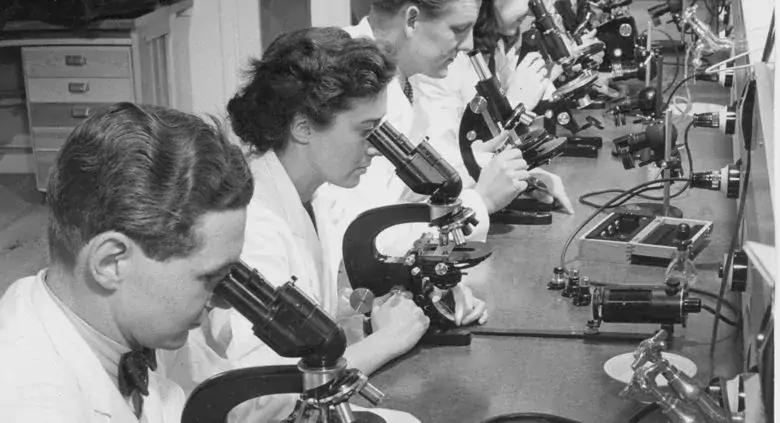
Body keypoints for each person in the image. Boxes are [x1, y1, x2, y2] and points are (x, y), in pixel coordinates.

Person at [164, 27, 426, 423]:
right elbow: (267, 395)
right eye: (365, 130)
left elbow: (316, 309)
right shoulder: (252, 224)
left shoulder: (315, 195)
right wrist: (388, 340)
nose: (376, 148)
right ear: (303, 127)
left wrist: (376, 306)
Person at [0, 102, 254, 422]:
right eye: (209, 278)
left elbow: (236, 400)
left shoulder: (135, 315)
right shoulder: (31, 405)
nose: (224, 301)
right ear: (111, 263)